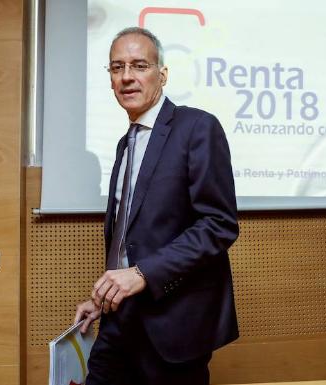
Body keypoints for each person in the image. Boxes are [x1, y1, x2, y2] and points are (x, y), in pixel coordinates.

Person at [74, 27, 239, 385]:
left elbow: (218, 224)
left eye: (139, 65)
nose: (127, 77)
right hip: (119, 320)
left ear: (162, 75)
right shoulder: (125, 143)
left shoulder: (198, 127)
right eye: (117, 68)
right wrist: (104, 297)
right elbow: (130, 239)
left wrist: (142, 273)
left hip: (173, 327)